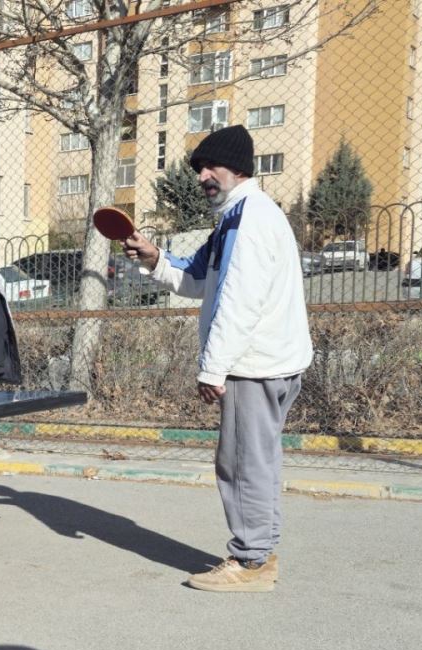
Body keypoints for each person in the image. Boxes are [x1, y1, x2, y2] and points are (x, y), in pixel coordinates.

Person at [121, 124, 312, 593]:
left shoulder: (250, 221)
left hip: (252, 365)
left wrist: (214, 367)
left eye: (211, 166)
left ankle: (251, 563)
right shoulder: (234, 217)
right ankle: (259, 553)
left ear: (239, 168)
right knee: (257, 462)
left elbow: (239, 303)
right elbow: (197, 278)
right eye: (199, 168)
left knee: (242, 464)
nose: (202, 175)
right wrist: (153, 257)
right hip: (268, 361)